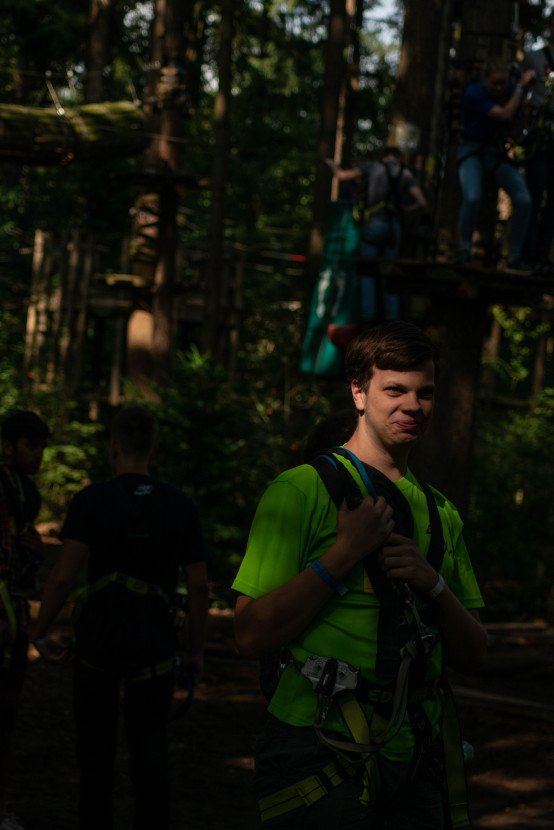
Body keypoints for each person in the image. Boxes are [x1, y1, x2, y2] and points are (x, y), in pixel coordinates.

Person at [232, 321, 487, 830]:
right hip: (317, 746)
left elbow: (475, 654)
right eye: (394, 389)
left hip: (417, 755)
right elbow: (250, 633)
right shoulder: (300, 491)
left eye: (424, 393)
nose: (411, 406)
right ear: (359, 392)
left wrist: (430, 582)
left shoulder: (440, 514)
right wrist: (343, 553)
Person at [32, 406, 210, 830]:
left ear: (113, 448)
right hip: (155, 648)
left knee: (95, 759)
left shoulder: (91, 500)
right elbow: (200, 586)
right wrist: (196, 651)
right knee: (151, 757)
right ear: (155, 447)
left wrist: (38, 631)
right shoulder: (179, 504)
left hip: (98, 646)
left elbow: (62, 576)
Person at [0, 410, 50, 830]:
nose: (39, 455)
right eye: (31, 446)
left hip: (13, 615)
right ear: (8, 445)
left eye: (41, 447)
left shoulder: (22, 490)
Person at [325, 148, 427, 347]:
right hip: (394, 227)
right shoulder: (405, 173)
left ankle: (368, 322)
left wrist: (331, 164)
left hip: (375, 223)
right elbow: (421, 201)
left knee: (368, 273)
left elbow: (341, 175)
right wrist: (407, 209)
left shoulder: (373, 167)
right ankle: (391, 324)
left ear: (384, 156)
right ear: (398, 157)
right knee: (389, 275)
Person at [456, 57, 535, 273]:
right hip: (471, 150)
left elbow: (514, 134)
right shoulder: (475, 93)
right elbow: (504, 114)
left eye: (503, 83)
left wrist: (525, 112)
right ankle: (464, 249)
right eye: (495, 83)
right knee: (472, 196)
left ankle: (514, 256)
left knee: (523, 199)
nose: (500, 88)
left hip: (496, 153)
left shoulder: (511, 92)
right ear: (485, 79)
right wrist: (520, 89)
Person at [521, 10, 554, 273]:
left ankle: (542, 257)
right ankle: (526, 255)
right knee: (534, 195)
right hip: (539, 137)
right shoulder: (533, 58)